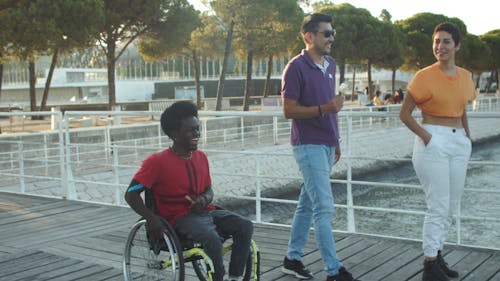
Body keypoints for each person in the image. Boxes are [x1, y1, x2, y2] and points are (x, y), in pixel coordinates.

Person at [124, 101, 254, 281]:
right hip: (178, 219)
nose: (197, 134)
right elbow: (130, 194)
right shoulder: (156, 162)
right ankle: (218, 278)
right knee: (211, 238)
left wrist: (203, 199)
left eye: (198, 129)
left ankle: (235, 277)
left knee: (245, 226)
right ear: (175, 134)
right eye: (191, 130)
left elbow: (209, 190)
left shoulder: (201, 157)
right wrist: (151, 218)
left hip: (205, 213)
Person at [280, 13, 359, 281]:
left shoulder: (331, 64)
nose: (331, 38)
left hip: (327, 144)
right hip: (307, 144)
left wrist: (336, 140)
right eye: (327, 33)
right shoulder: (295, 67)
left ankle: (292, 259)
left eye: (333, 33)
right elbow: (289, 110)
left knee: (306, 204)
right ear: (309, 36)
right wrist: (324, 109)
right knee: (324, 207)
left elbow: (331, 106)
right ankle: (333, 270)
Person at [399, 22, 476, 281]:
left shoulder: (466, 76)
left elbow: (462, 108)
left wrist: (467, 136)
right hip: (433, 140)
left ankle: (437, 253)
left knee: (451, 206)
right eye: (436, 41)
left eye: (445, 41)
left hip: (458, 142)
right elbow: (405, 114)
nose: (439, 46)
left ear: (457, 45)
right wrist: (428, 138)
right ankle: (430, 265)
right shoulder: (424, 76)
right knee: (438, 205)